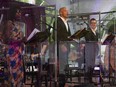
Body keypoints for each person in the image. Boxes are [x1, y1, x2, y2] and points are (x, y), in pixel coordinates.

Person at [5, 5, 25, 87]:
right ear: (13, 13)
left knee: (19, 74)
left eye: (20, 12)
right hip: (12, 52)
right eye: (18, 12)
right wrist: (20, 40)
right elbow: (7, 39)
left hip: (18, 52)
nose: (19, 14)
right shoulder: (8, 23)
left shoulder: (16, 24)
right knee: (13, 74)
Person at [52, 7, 71, 87]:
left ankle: (63, 83)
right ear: (60, 12)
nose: (68, 12)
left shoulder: (66, 22)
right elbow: (54, 35)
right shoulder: (57, 21)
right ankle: (60, 83)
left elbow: (68, 35)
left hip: (67, 46)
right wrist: (61, 45)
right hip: (61, 47)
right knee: (61, 66)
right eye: (66, 11)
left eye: (67, 11)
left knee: (65, 65)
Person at [83, 18, 100, 83]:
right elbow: (88, 40)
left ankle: (90, 79)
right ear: (90, 24)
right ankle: (87, 80)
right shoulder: (88, 31)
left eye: (95, 23)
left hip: (94, 50)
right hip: (89, 51)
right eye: (92, 23)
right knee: (89, 66)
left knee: (92, 65)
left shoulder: (96, 32)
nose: (94, 24)